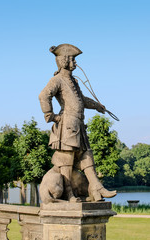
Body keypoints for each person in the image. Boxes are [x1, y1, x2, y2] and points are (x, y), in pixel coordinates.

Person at [39, 43, 116, 202]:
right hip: (67, 126)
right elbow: (43, 96)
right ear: (64, 61)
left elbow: (80, 100)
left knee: (87, 155)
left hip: (78, 125)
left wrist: (96, 106)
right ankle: (69, 194)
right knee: (66, 160)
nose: (75, 63)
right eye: (72, 59)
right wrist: (51, 116)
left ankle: (96, 187)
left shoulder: (73, 81)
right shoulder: (57, 80)